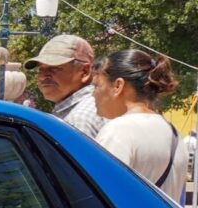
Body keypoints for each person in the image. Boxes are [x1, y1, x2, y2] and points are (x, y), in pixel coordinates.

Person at [91, 46, 185, 198]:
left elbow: (102, 199)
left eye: (96, 85)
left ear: (118, 86)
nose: (93, 94)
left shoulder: (118, 131)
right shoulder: (174, 134)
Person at [27, 35, 105, 137]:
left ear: (84, 72)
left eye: (54, 68)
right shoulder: (82, 109)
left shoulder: (78, 119)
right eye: (41, 69)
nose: (42, 77)